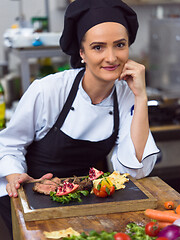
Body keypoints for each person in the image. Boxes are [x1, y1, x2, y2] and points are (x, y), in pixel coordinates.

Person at [0, 0, 159, 238]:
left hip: (90, 201)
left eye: (120, 45)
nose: (111, 57)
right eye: (98, 47)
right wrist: (16, 176)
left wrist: (141, 96)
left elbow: (134, 170)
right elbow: (9, 145)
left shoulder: (127, 93)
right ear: (82, 52)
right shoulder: (48, 90)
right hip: (32, 197)